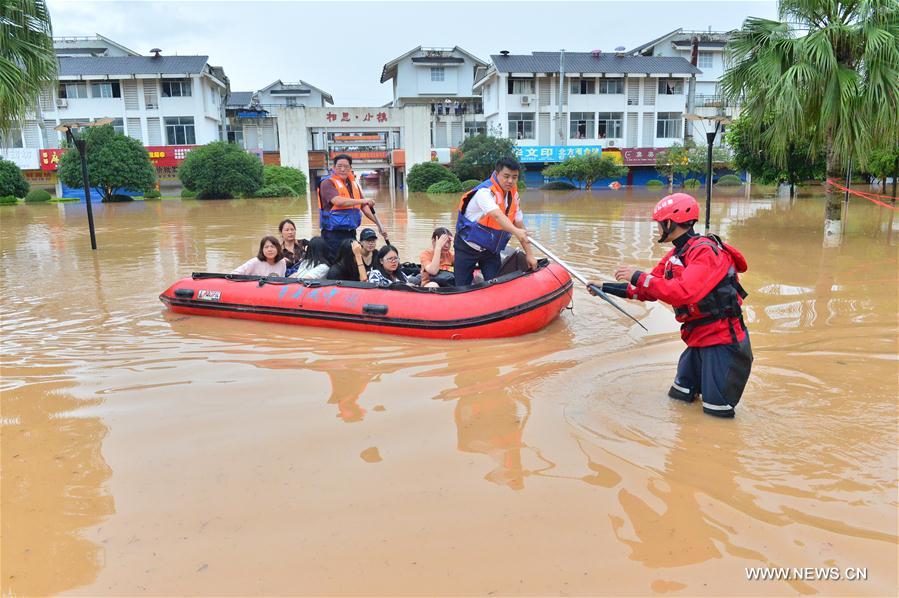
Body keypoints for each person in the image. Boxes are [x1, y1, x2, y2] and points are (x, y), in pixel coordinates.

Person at [590, 193, 752, 418]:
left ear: (669, 223)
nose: (658, 229)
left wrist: (637, 275)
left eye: (659, 224)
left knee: (717, 416)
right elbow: (646, 290)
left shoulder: (706, 252)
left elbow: (684, 293)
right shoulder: (675, 255)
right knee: (680, 398)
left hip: (722, 342)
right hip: (698, 339)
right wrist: (603, 287)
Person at [454, 157, 538, 286]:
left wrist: (530, 255)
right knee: (461, 287)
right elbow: (497, 216)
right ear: (497, 173)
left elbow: (520, 225)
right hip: (467, 247)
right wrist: (516, 232)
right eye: (506, 176)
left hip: (490, 250)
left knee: (496, 287)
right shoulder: (484, 193)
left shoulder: (513, 196)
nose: (510, 181)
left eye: (514, 177)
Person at [317, 154, 387, 260]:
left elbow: (364, 206)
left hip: (351, 232)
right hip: (332, 234)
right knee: (335, 261)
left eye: (346, 166)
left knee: (351, 260)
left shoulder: (353, 184)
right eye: (339, 166)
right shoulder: (327, 183)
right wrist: (364, 200)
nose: (343, 169)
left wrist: (379, 224)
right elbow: (337, 201)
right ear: (333, 167)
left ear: (350, 168)